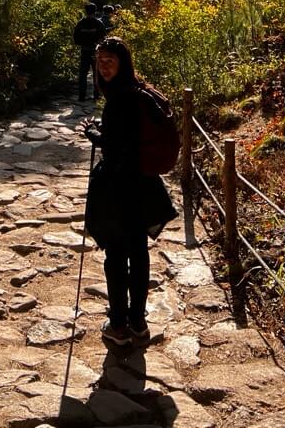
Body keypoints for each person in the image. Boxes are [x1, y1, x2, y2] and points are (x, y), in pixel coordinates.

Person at [83, 37, 177, 347]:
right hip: (143, 185)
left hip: (119, 188)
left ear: (123, 61)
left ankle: (120, 325)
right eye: (100, 61)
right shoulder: (137, 92)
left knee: (116, 256)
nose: (104, 66)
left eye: (110, 60)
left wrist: (94, 134)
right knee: (138, 254)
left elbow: (115, 145)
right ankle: (138, 321)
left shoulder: (119, 100)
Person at [72, 1, 106, 101]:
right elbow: (104, 37)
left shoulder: (81, 23)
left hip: (84, 50)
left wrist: (82, 43)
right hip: (96, 52)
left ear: (85, 11)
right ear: (95, 11)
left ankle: (81, 96)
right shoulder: (98, 23)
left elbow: (75, 37)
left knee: (83, 74)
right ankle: (96, 95)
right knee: (97, 73)